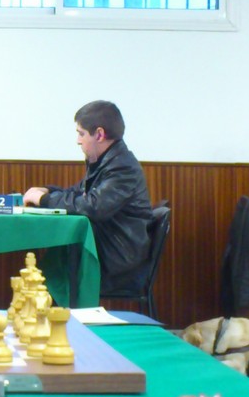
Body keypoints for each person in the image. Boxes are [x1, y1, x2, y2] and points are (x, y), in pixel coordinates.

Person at [23, 101, 153, 298]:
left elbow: (93, 206)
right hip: (107, 247)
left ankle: (57, 314)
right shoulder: (106, 161)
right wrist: (47, 191)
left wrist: (44, 199)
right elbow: (77, 193)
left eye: (81, 133)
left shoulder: (122, 167)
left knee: (45, 270)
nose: (78, 141)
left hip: (116, 259)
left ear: (99, 134)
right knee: (49, 262)